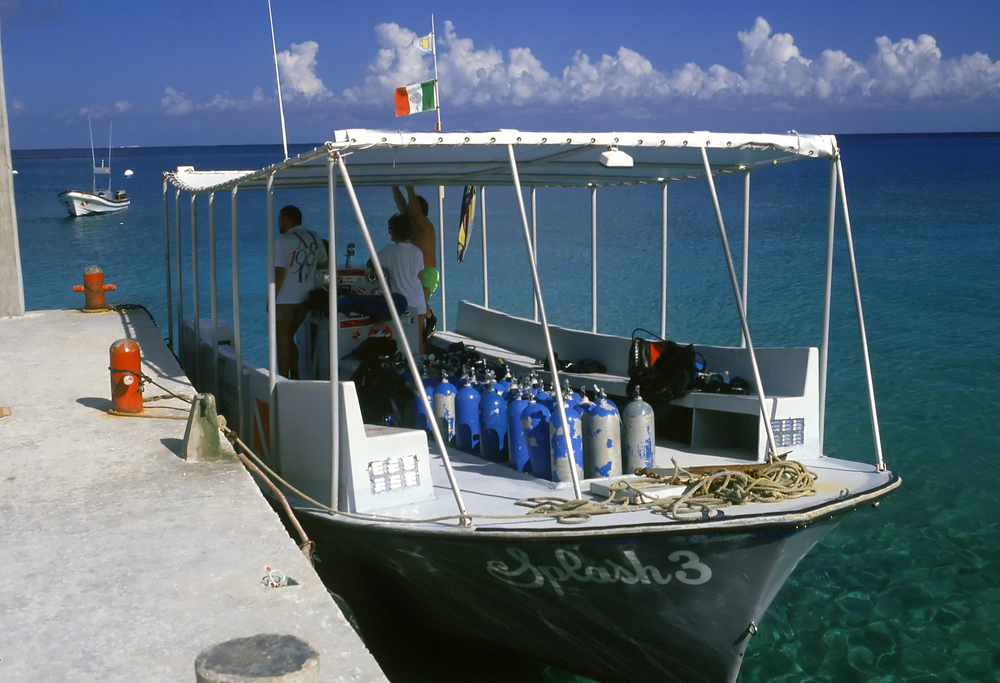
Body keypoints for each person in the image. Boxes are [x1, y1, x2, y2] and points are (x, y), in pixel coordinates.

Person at [274, 205, 328, 379]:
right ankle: (296, 375)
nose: (277, 223)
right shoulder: (314, 236)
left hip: (284, 299)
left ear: (287, 220)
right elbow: (323, 262)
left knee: (282, 342)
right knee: (290, 338)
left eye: (279, 219)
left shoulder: (283, 241)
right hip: (305, 299)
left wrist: (271, 298)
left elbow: (279, 274)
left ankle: (282, 380)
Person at [372, 212, 426, 353]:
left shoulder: (388, 251)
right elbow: (420, 275)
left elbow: (370, 263)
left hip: (401, 304)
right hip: (418, 302)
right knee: (418, 339)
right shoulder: (417, 251)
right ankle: (420, 369)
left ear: (394, 231)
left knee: (399, 341)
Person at [393, 186, 437, 338]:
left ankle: (431, 319)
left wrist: (409, 189)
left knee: (419, 305)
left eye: (411, 210)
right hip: (417, 273)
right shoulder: (413, 226)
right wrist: (394, 186)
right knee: (414, 305)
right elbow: (401, 205)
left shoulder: (425, 226)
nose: (408, 212)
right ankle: (419, 333)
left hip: (428, 275)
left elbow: (415, 212)